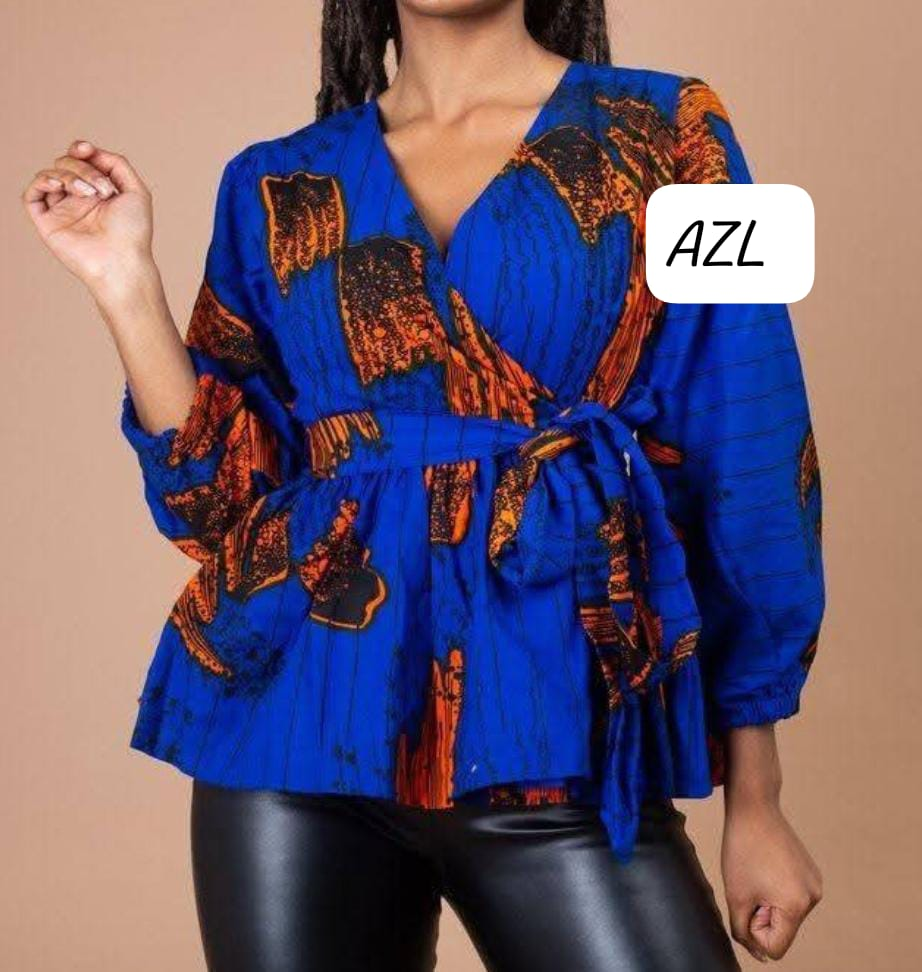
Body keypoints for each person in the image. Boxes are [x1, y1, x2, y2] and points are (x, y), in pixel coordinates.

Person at [22, 1, 825, 969]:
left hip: (558, 738)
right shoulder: (272, 183)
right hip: (296, 745)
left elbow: (752, 440)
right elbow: (224, 510)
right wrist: (125, 285)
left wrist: (757, 797)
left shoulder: (678, 132)